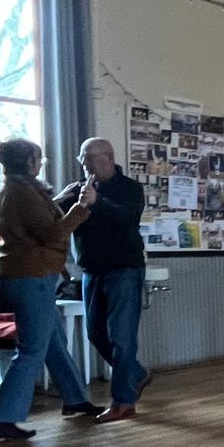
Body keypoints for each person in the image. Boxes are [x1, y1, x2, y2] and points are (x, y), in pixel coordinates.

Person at [0, 137, 100, 445]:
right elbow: (52, 233)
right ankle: (1, 419)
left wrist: (60, 199)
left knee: (54, 342)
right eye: (39, 160)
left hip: (28, 275)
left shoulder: (21, 188)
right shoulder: (22, 193)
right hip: (30, 277)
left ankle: (75, 399)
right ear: (29, 164)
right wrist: (82, 207)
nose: (40, 164)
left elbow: (40, 219)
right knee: (32, 349)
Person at [55, 137, 149, 421]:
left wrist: (99, 202)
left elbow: (127, 218)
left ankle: (124, 401)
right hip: (91, 271)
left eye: (89, 159)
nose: (84, 165)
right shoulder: (79, 190)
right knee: (96, 334)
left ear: (107, 157)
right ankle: (138, 375)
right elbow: (51, 220)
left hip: (125, 269)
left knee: (122, 337)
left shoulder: (130, 188)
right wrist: (59, 200)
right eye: (81, 160)